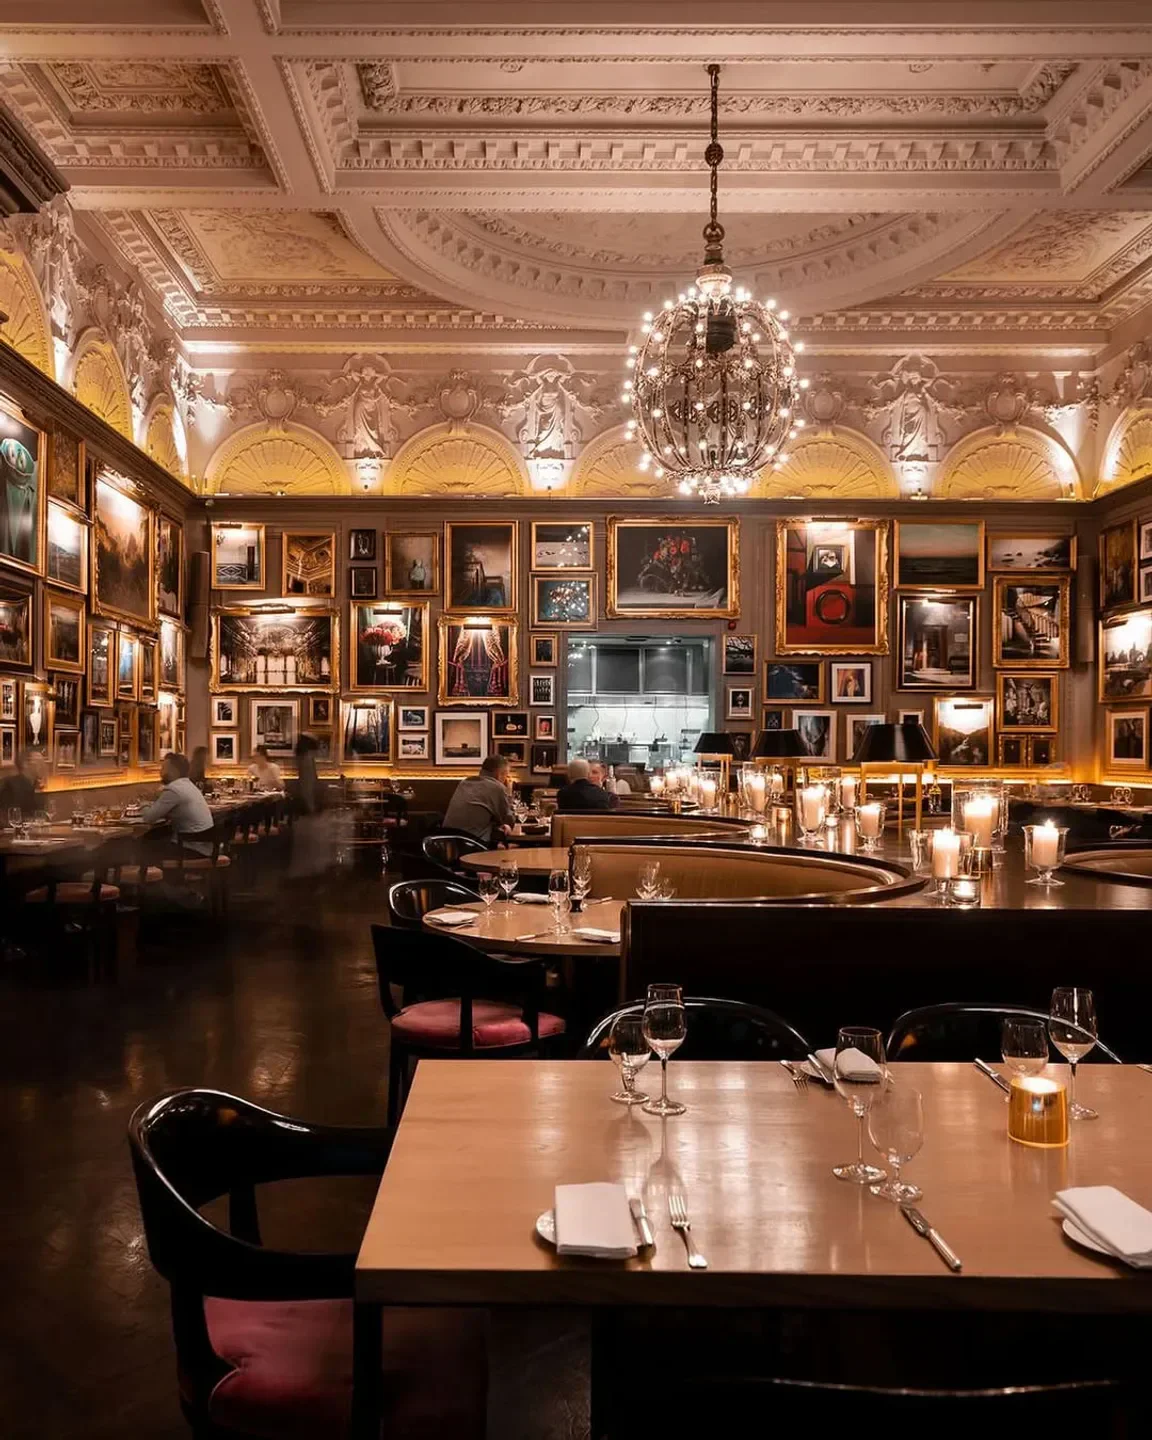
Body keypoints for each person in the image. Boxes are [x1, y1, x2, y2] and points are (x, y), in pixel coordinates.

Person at [141, 752, 215, 856]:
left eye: (163, 768)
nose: (160, 772)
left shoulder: (174, 790)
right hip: (206, 847)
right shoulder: (188, 785)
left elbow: (148, 818)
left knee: (145, 845)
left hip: (191, 849)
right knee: (156, 838)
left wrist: (143, 802)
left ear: (173, 771)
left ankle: (143, 871)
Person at [442, 754, 515, 844]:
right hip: (471, 846)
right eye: (506, 776)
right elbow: (508, 820)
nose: (506, 779)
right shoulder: (497, 787)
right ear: (499, 774)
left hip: (446, 844)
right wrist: (509, 793)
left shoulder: (464, 783)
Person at [0, 752, 46, 818]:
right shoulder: (10, 785)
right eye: (39, 762)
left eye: (43, 762)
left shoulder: (37, 786)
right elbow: (7, 819)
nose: (43, 766)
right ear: (25, 764)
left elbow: (40, 815)